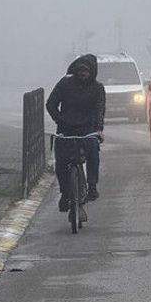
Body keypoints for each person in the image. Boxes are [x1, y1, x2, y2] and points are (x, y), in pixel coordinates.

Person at [46, 54, 106, 212]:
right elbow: (51, 104)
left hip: (88, 130)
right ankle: (65, 194)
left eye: (86, 71)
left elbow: (100, 109)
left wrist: (99, 129)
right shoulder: (65, 84)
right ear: (75, 71)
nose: (83, 74)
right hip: (66, 129)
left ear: (92, 72)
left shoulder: (97, 88)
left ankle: (92, 186)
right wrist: (60, 120)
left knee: (93, 152)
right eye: (80, 70)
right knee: (61, 162)